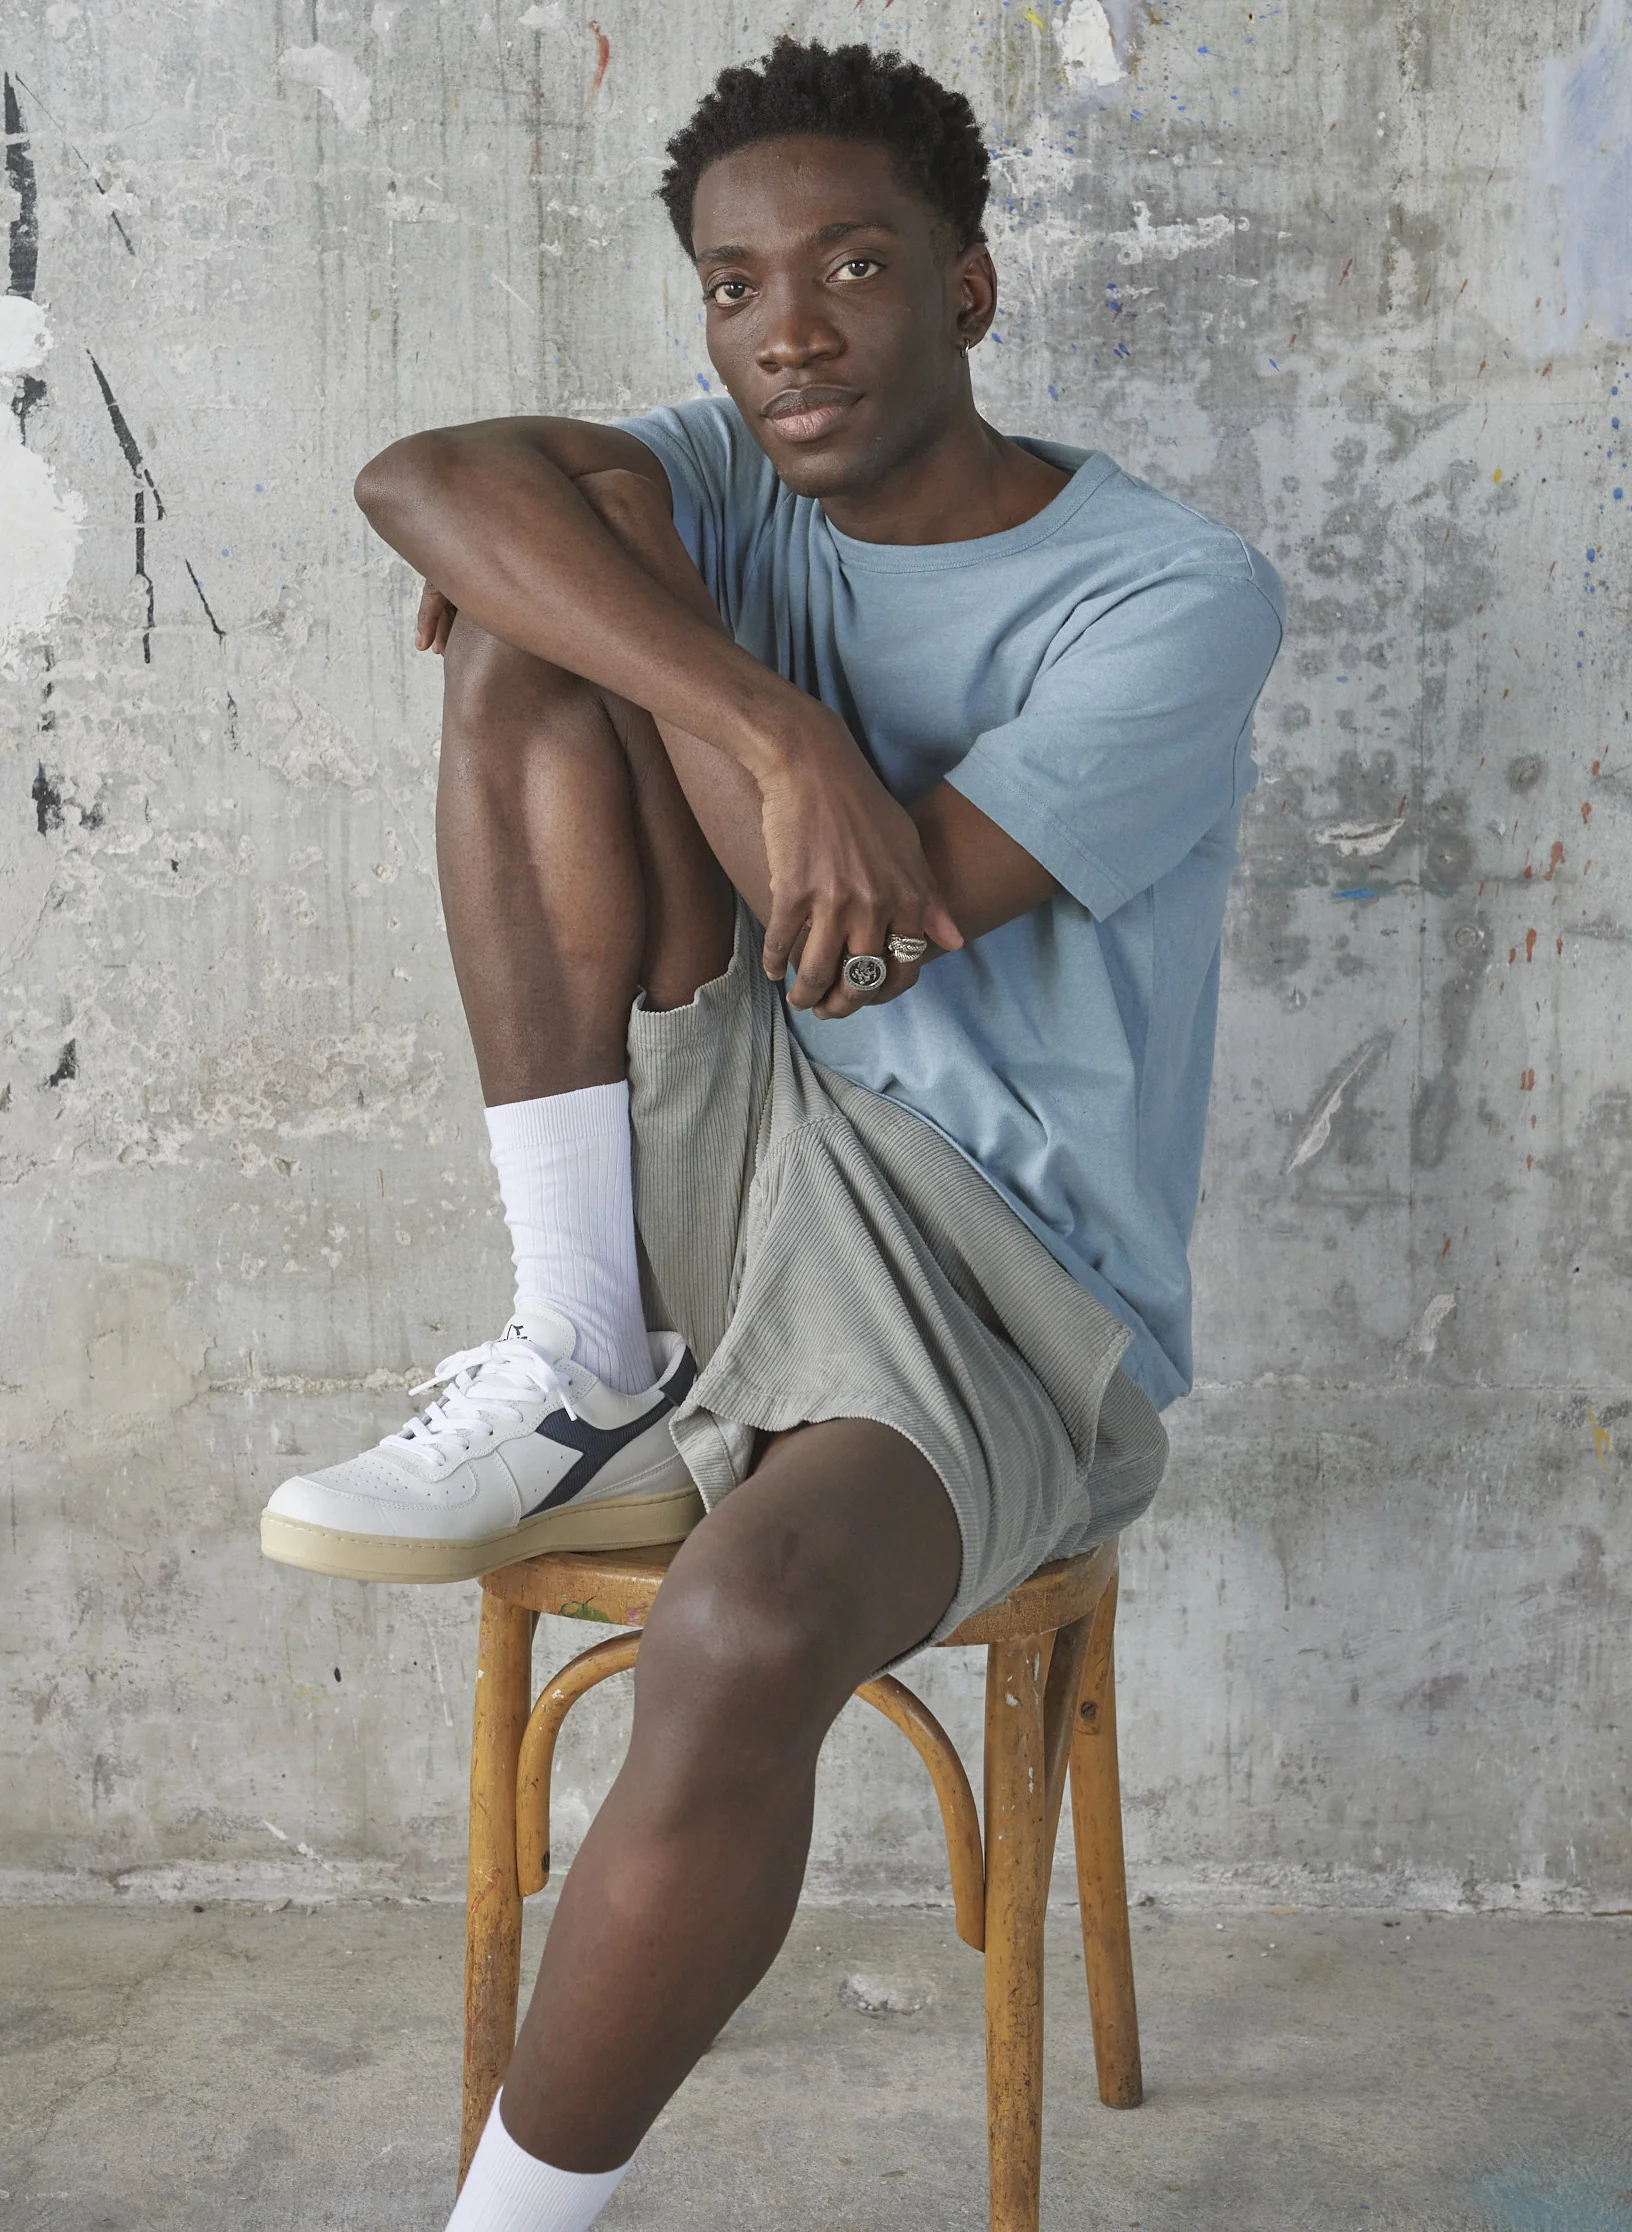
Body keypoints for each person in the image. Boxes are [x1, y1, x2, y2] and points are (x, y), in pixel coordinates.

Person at [259, 36, 1282, 2230]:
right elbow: (425, 477)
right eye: (735, 287)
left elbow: (859, 947)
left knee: (737, 1634)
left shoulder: (1170, 594)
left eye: (851, 268)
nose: (787, 333)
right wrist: (756, 713)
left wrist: (636, 587)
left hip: (988, 1277)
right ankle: (583, 1344)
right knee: (526, 639)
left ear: (969, 287)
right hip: (717, 1145)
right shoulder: (723, 471)